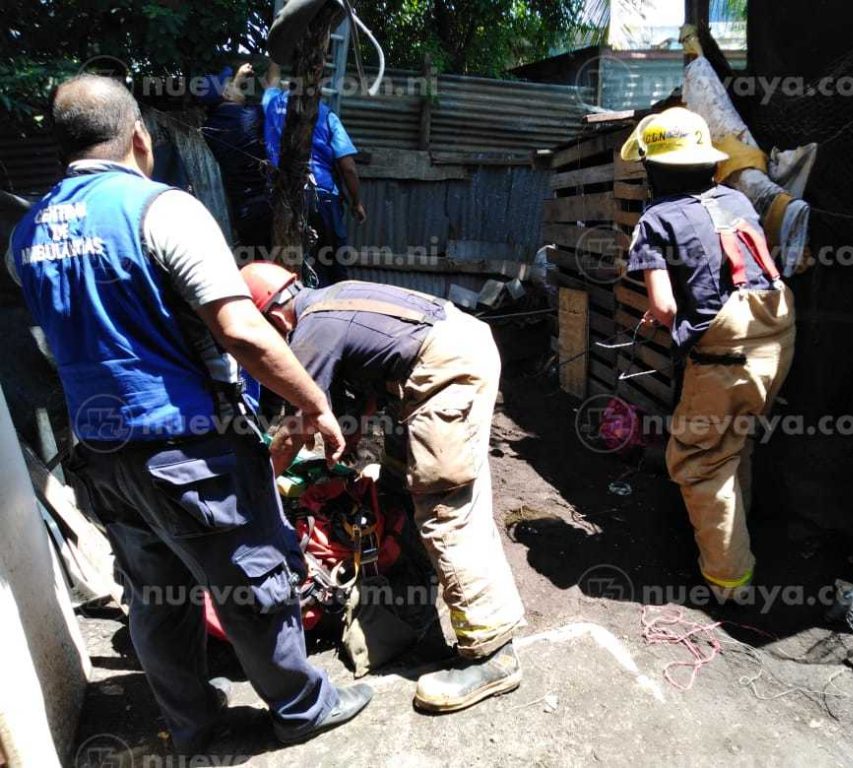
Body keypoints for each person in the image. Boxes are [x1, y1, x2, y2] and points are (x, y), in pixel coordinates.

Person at [8, 74, 373, 752]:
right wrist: (313, 401)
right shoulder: (162, 211)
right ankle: (302, 708)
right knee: (252, 582)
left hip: (99, 453)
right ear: (139, 133)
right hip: (186, 448)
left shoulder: (28, 233)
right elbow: (241, 330)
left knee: (156, 595)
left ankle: (193, 726)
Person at [238, 263, 526, 713]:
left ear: (273, 321)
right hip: (448, 350)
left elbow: (296, 424)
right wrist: (354, 453)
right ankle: (418, 574)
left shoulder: (311, 330)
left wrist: (261, 488)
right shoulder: (332, 299)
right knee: (399, 476)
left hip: (446, 368)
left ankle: (492, 654)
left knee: (445, 506)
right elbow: (369, 383)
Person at [620, 107, 796, 599]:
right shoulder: (737, 200)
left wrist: (670, 324)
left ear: (654, 169)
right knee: (733, 441)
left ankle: (730, 580)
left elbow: (663, 304)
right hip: (778, 333)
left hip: (728, 352)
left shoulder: (657, 217)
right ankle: (736, 535)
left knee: (699, 460)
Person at [262, 63, 366, 283]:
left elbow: (271, 81)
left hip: (281, 196)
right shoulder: (327, 115)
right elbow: (347, 166)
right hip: (322, 196)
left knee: (287, 265)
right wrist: (356, 202)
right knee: (333, 264)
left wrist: (277, 53)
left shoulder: (272, 102)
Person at [200, 63, 273, 254]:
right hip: (268, 208)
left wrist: (238, 79)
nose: (239, 85)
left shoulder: (208, 128)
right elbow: (273, 90)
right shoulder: (250, 116)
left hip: (242, 213)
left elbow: (227, 100)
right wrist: (275, 58)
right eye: (231, 84)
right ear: (226, 95)